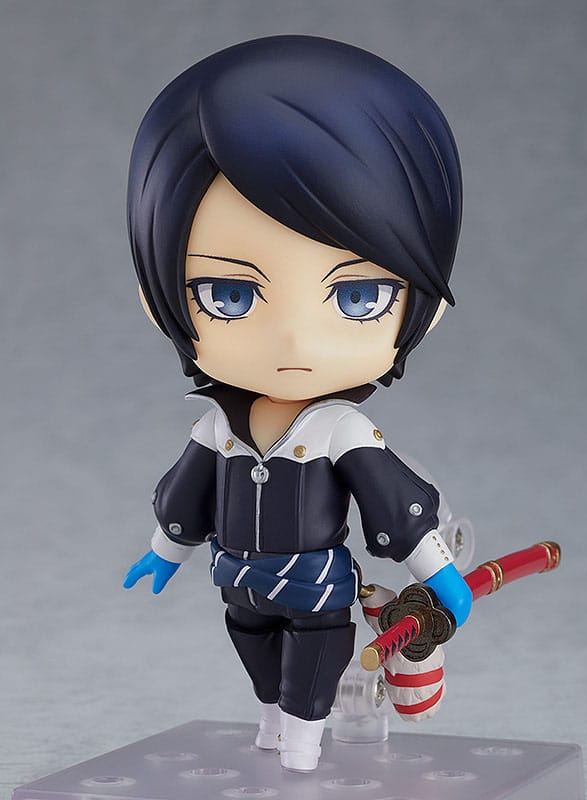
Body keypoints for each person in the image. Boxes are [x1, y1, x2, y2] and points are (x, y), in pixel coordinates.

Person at [123, 35, 472, 772]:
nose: (293, 338)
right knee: (254, 652)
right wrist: (165, 548)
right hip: (239, 579)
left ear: (426, 305)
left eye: (357, 296)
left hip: (316, 586)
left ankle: (304, 748)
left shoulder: (342, 430)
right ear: (160, 303)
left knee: (313, 664)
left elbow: (393, 502)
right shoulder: (217, 427)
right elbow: (187, 494)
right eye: (229, 294)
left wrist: (436, 569)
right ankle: (272, 721)